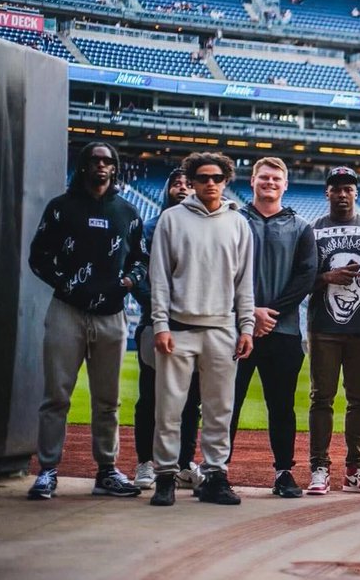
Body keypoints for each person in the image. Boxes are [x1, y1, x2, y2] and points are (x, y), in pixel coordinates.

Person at [26, 142, 148, 500]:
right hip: (67, 310)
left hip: (111, 314)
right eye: (94, 160)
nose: (100, 166)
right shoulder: (61, 208)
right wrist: (66, 284)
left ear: (115, 168)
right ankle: (47, 470)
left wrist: (128, 281)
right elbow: (38, 256)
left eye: (107, 161)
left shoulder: (128, 212)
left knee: (108, 400)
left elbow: (141, 259)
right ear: (83, 166)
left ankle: (107, 471)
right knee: (56, 397)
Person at [148, 152, 255, 506]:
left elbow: (244, 283)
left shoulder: (238, 223)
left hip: (222, 328)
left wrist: (246, 326)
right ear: (191, 182)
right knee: (169, 408)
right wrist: (160, 324)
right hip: (178, 327)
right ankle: (165, 475)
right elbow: (159, 277)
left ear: (226, 182)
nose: (210, 183)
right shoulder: (171, 219)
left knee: (219, 409)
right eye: (203, 177)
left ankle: (214, 475)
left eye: (217, 178)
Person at [229, 157, 317, 499]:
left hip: (283, 332)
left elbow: (306, 277)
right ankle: (217, 470)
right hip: (237, 329)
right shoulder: (233, 220)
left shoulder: (300, 227)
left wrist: (269, 314)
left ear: (285, 184)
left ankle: (283, 473)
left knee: (281, 406)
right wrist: (249, 314)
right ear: (252, 180)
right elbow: (222, 271)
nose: (270, 182)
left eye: (276, 178)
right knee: (228, 404)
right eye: (264, 177)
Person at [306, 166, 360, 496]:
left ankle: (356, 469)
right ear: (327, 193)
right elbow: (300, 281)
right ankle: (319, 468)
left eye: (347, 188)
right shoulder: (312, 230)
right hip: (322, 327)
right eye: (335, 188)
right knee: (321, 398)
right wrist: (326, 278)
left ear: (356, 193)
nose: (341, 193)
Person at [131, 168, 204, 492]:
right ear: (167, 189)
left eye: (189, 184)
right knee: (150, 398)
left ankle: (185, 462)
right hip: (155, 324)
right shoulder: (150, 227)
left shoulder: (206, 229)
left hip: (194, 326)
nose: (183, 188)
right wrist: (162, 310)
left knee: (192, 401)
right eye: (176, 183)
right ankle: (146, 462)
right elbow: (138, 276)